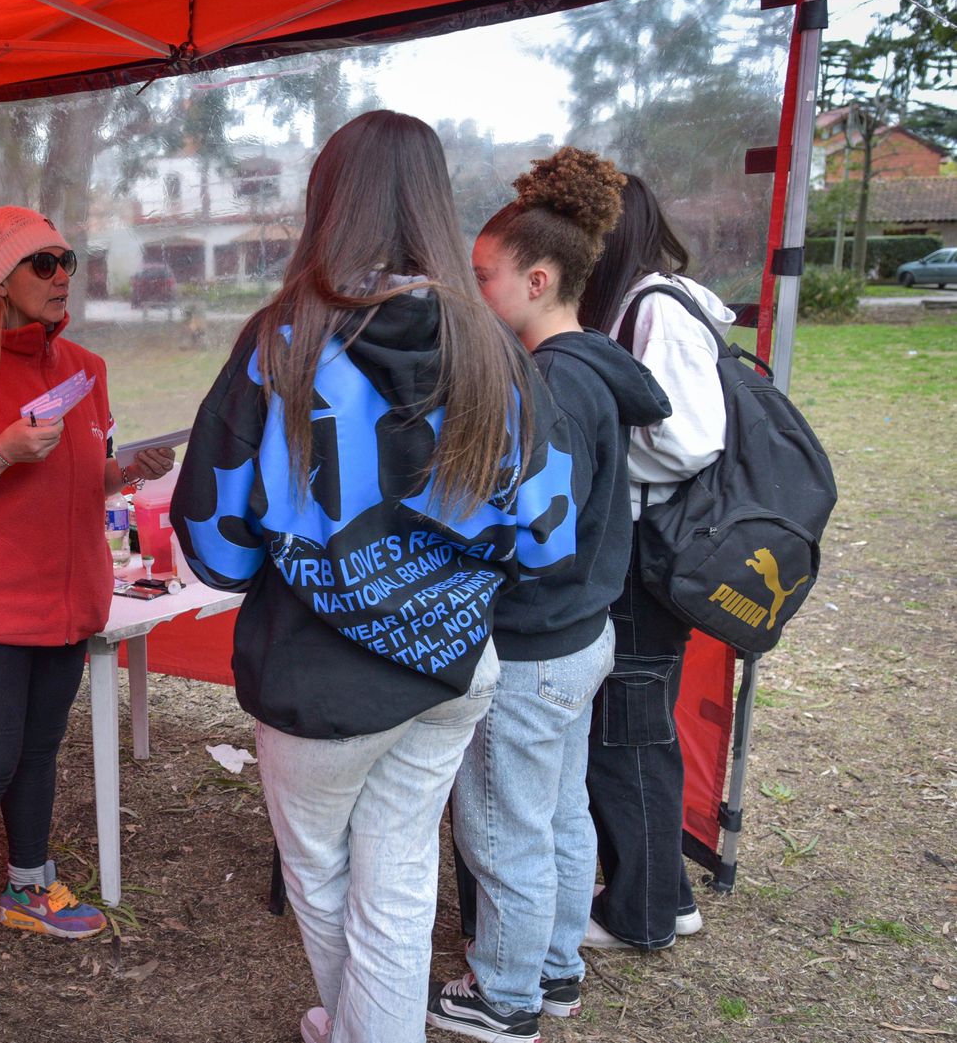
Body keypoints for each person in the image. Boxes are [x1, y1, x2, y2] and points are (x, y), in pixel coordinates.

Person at [170, 111, 578, 1043]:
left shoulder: (283, 342)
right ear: (437, 202)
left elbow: (218, 544)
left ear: (327, 201)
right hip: (454, 668)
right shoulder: (497, 348)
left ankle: (358, 1030)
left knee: (321, 873)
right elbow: (548, 538)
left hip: (319, 682)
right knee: (397, 879)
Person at [0, 206, 175, 1013]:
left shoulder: (84, 367)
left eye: (68, 262)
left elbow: (76, 482)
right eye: (42, 264)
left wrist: (125, 469)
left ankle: (28, 886)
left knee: (41, 747)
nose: (62, 278)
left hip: (66, 598)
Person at [431, 149, 671, 1042]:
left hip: (534, 646)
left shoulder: (553, 388)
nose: (473, 289)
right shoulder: (595, 366)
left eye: (482, 276)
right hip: (582, 636)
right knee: (559, 810)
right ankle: (557, 967)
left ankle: (505, 995)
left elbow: (536, 534)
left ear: (537, 279)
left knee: (502, 830)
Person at [577, 174, 736, 951]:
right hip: (635, 555)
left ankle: (645, 912)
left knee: (629, 738)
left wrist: (597, 446)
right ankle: (662, 894)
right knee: (628, 733)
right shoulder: (641, 305)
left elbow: (690, 437)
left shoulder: (656, 309)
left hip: (646, 561)